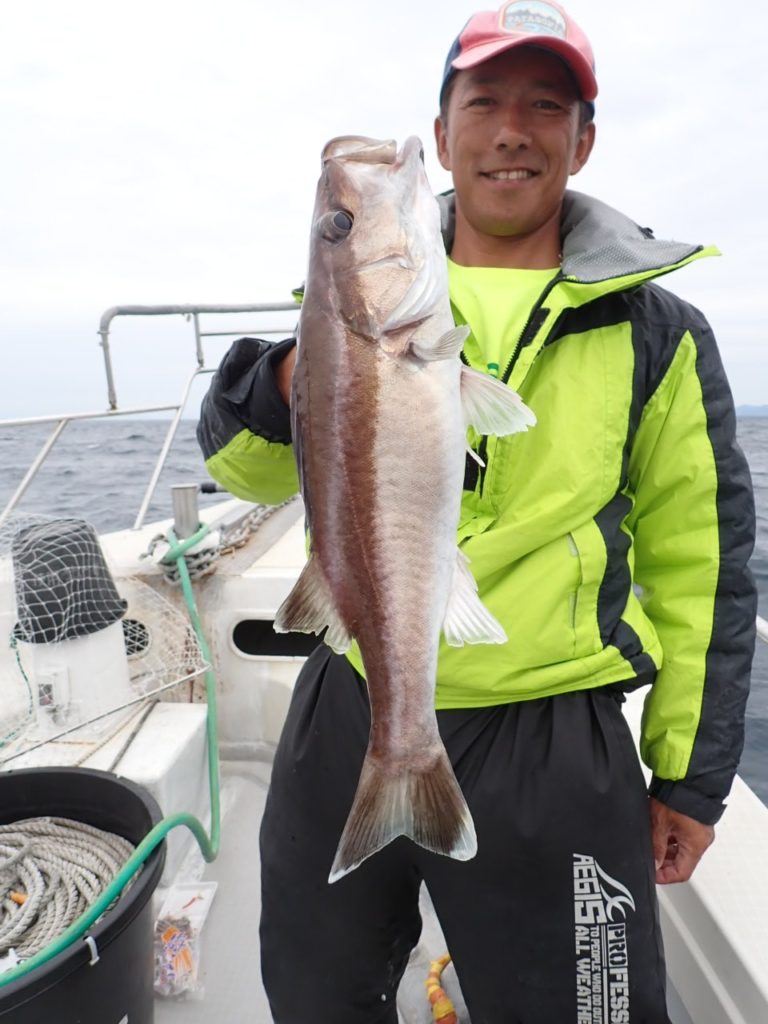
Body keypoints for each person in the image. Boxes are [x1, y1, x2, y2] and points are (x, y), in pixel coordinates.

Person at [196, 2, 757, 1021]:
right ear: (443, 134)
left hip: (553, 738)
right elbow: (245, 470)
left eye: (545, 107)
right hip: (353, 700)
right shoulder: (347, 312)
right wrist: (287, 380)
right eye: (483, 102)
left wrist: (691, 775)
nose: (511, 130)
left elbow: (702, 562)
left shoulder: (657, 331)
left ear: (583, 142)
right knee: (318, 994)